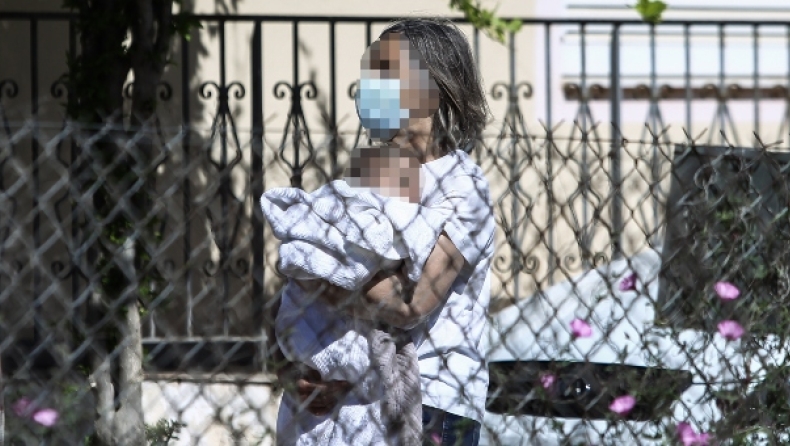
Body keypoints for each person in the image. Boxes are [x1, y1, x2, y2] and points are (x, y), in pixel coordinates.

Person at [278, 18, 495, 446]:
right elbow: (301, 281)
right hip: (346, 404)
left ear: (434, 88)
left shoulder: (463, 186)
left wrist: (324, 274)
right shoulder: (372, 174)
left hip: (432, 402)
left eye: (385, 72)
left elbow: (409, 305)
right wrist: (296, 369)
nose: (368, 88)